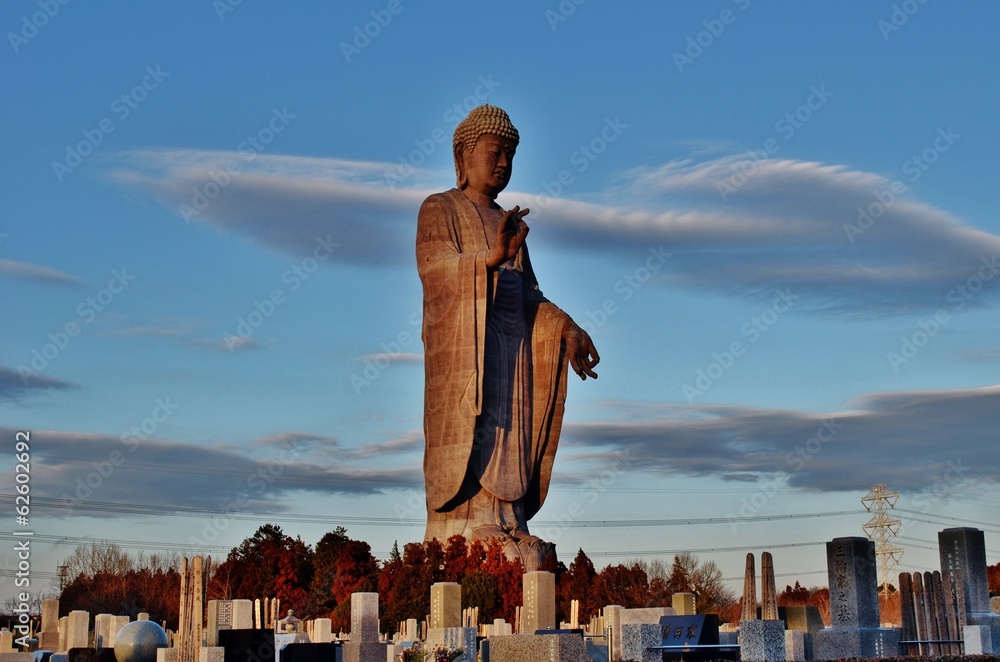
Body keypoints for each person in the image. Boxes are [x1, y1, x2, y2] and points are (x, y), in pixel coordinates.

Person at [416, 105, 599, 570]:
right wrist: (490, 259)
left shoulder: (510, 223)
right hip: (469, 354)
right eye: (494, 151)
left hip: (513, 354)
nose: (503, 163)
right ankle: (468, 518)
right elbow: (435, 273)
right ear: (463, 156)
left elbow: (530, 295)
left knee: (509, 432)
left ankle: (508, 517)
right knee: (476, 425)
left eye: (510, 155)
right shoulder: (440, 208)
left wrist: (566, 327)